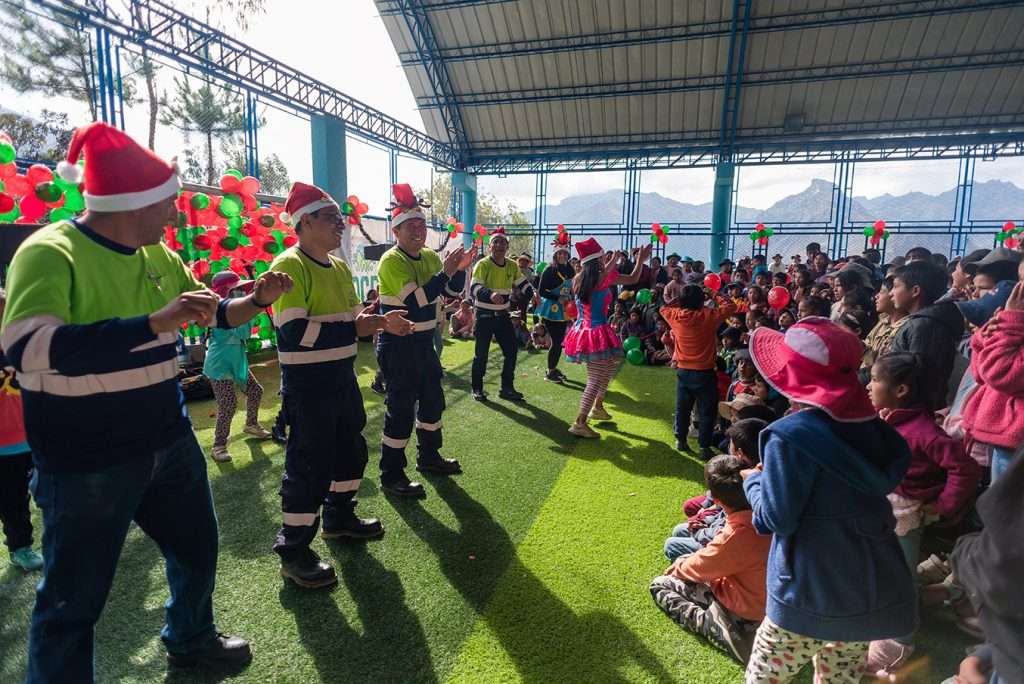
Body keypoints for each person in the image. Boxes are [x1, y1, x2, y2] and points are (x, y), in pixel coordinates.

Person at [1, 122, 281, 680]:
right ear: (133, 204)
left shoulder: (159, 256)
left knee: (198, 549)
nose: (175, 215)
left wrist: (255, 300)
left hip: (168, 442)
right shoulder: (50, 252)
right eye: (168, 203)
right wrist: (150, 323)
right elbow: (25, 349)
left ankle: (191, 638)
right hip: (86, 461)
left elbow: (208, 313)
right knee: (70, 602)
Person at [741, 317, 917, 684]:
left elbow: (776, 518)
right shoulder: (878, 433)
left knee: (764, 678)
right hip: (858, 594)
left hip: (803, 592)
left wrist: (755, 482)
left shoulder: (790, 437)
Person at [268, 182, 414, 587]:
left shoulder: (340, 267)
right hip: (307, 384)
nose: (342, 224)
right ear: (305, 221)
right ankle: (294, 552)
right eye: (332, 218)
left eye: (340, 218)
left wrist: (381, 322)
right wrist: (357, 327)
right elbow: (295, 332)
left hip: (341, 378)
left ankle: (339, 517)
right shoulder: (289, 265)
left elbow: (355, 323)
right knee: (308, 466)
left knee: (351, 452)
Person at [865, 352, 982, 676]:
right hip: (886, 510)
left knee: (900, 576)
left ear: (900, 390)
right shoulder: (887, 419)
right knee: (889, 568)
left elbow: (964, 468)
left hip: (906, 515)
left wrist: (944, 503)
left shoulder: (923, 431)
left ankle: (899, 642)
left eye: (875, 380)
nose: (870, 386)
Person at [376, 184, 476, 498]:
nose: (418, 230)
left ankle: (428, 457)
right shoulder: (391, 261)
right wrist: (446, 273)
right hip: (398, 345)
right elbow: (416, 302)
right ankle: (391, 474)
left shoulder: (431, 257)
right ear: (397, 230)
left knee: (433, 401)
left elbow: (447, 293)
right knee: (401, 410)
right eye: (411, 226)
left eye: (421, 225)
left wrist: (459, 271)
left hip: (423, 344)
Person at [651, 454, 771, 663]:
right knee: (688, 556)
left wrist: (677, 568)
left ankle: (713, 625)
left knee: (660, 584)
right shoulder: (771, 512)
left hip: (748, 608)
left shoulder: (736, 535)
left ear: (716, 500)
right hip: (775, 602)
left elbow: (700, 566)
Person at [563, 239, 651, 438]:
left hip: (586, 330)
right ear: (597, 260)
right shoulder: (601, 278)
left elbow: (632, 278)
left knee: (610, 365)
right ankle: (580, 422)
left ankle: (598, 406)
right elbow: (632, 278)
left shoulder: (581, 277)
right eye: (602, 255)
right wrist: (637, 259)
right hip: (594, 332)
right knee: (595, 378)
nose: (605, 258)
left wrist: (637, 260)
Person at [203, 271, 273, 463]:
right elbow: (244, 334)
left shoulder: (233, 308)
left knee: (255, 391)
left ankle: (251, 424)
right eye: (237, 289)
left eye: (242, 288)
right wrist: (252, 309)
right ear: (227, 291)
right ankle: (218, 446)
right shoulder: (221, 310)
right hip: (219, 364)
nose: (242, 291)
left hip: (235, 360)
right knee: (228, 404)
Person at [661, 284, 737, 459]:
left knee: (683, 408)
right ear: (702, 300)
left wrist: (678, 300)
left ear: (682, 301)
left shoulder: (674, 316)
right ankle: (704, 447)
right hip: (705, 372)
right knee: (707, 411)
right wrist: (713, 293)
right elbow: (730, 306)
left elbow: (664, 307)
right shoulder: (709, 316)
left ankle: (681, 440)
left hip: (683, 371)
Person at [961, 279, 1024, 482]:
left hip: (1016, 443)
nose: (1019, 289)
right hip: (1003, 437)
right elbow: (982, 374)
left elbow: (1001, 374)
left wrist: (1010, 324)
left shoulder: (1015, 325)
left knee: (1005, 510)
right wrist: (985, 337)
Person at [0, 288, 42, 572]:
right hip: (4, 447)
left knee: (54, 489)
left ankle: (69, 535)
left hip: (35, 437)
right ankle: (20, 546)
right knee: (12, 499)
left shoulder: (24, 347)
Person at [889, 260, 964, 410]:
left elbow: (919, 378)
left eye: (896, 286)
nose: (891, 293)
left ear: (915, 291)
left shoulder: (924, 326)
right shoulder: (923, 321)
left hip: (912, 410)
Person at [469, 228, 533, 401]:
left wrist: (534, 294)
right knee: (481, 355)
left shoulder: (512, 265)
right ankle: (477, 388)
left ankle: (506, 388)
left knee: (511, 351)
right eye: (495, 242)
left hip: (502, 315)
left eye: (502, 242)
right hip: (484, 315)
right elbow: (474, 288)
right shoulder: (482, 264)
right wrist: (490, 294)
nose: (499, 245)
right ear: (490, 247)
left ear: (507, 247)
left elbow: (523, 283)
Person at [536, 235, 576, 383]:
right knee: (557, 341)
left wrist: (571, 298)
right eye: (559, 253)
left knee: (559, 342)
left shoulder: (570, 270)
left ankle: (553, 368)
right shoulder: (549, 270)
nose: (562, 255)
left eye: (565, 253)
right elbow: (541, 291)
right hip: (551, 310)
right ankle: (550, 371)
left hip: (564, 309)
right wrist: (557, 298)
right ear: (555, 255)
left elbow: (571, 288)